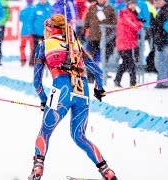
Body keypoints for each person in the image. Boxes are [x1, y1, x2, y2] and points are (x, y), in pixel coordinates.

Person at [28, 14, 118, 180]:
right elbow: (98, 72)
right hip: (82, 92)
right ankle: (107, 171)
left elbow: (36, 82)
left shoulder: (44, 45)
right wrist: (99, 88)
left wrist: (43, 99)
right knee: (80, 136)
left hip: (60, 89)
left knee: (45, 132)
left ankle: (37, 169)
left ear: (49, 29)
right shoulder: (74, 43)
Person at [83, 0, 117, 83]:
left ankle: (102, 76)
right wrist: (83, 32)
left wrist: (107, 29)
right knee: (91, 58)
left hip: (106, 39)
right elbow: (86, 22)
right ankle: (91, 78)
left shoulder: (110, 8)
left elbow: (114, 23)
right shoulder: (92, 8)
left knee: (105, 58)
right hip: (93, 38)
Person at [114, 0, 143, 87]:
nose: (133, 5)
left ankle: (117, 80)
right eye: (131, 4)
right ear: (128, 4)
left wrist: (138, 19)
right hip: (124, 42)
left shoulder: (132, 13)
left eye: (134, 4)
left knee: (126, 62)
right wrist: (140, 22)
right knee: (130, 62)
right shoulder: (125, 14)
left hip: (128, 42)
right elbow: (135, 26)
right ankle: (132, 82)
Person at [150, 0, 168, 89]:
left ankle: (164, 82)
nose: (156, 2)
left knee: (161, 62)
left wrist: (161, 39)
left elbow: (165, 28)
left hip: (164, 41)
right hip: (160, 40)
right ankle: (162, 81)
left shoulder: (167, 11)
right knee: (159, 62)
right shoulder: (161, 10)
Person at [19, 0, 36, 66]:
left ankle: (23, 59)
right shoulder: (34, 9)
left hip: (24, 31)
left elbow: (20, 18)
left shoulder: (23, 10)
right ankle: (31, 61)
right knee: (32, 47)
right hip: (32, 31)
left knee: (22, 46)